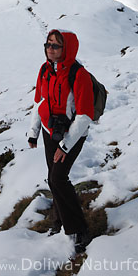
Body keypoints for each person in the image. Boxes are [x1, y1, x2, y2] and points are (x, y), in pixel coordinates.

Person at [27, 29, 94, 254]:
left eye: (55, 45)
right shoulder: (45, 70)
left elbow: (84, 117)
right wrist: (33, 132)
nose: (50, 48)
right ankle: (59, 221)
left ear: (67, 49)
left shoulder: (79, 75)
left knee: (58, 177)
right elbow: (41, 101)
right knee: (52, 178)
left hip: (72, 135)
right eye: (48, 44)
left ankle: (79, 229)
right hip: (49, 131)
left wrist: (65, 146)